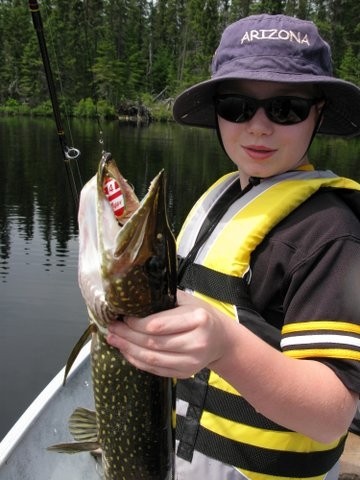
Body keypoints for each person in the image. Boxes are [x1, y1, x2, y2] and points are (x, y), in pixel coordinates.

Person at [106, 14, 360, 480]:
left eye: (286, 109)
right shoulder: (225, 196)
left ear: (319, 112)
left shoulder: (332, 234)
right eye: (237, 107)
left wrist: (224, 346)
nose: (258, 127)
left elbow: (332, 415)